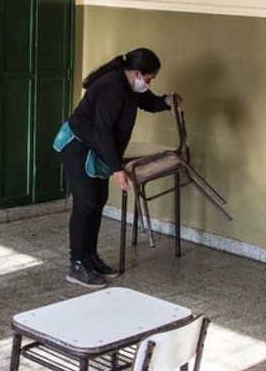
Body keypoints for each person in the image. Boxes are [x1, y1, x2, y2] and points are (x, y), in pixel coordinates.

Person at [53, 47, 181, 288]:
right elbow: (102, 131)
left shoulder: (129, 85)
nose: (149, 83)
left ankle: (90, 257)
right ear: (137, 73)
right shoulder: (111, 87)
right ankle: (77, 264)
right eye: (150, 79)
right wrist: (117, 169)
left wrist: (165, 101)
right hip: (77, 145)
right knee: (86, 203)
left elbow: (147, 101)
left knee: (97, 200)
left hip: (96, 147)